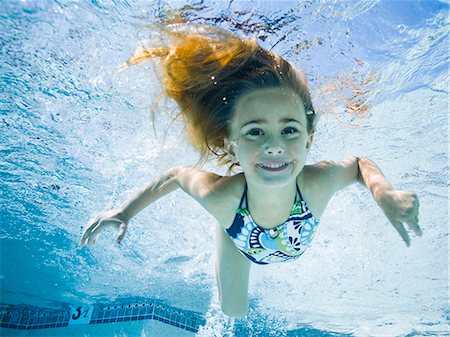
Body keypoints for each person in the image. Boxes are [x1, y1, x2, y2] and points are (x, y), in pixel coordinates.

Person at [80, 24, 421, 317]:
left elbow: (360, 164)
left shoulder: (317, 184)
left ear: (308, 141)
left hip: (286, 231)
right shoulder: (222, 197)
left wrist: (384, 193)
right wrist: (125, 212)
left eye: (290, 130)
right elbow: (176, 176)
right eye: (255, 131)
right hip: (238, 234)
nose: (275, 146)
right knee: (233, 311)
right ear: (231, 145)